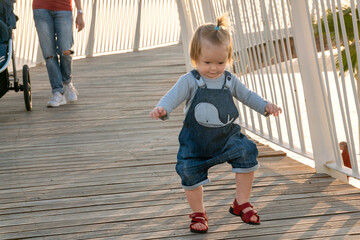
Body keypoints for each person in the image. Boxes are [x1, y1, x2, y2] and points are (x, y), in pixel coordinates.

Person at [149, 13, 282, 234]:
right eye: (207, 62)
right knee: (189, 171)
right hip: (196, 142)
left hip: (227, 136)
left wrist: (265, 105)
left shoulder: (230, 80)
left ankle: (241, 202)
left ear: (228, 58)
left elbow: (247, 95)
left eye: (220, 62)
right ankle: (198, 212)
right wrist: (163, 109)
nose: (213, 68)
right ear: (194, 57)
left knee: (246, 151)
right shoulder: (190, 80)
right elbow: (172, 97)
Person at [32, 0, 85, 107]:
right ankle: (57, 92)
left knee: (65, 51)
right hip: (41, 9)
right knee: (49, 54)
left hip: (64, 9)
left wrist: (80, 12)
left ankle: (67, 82)